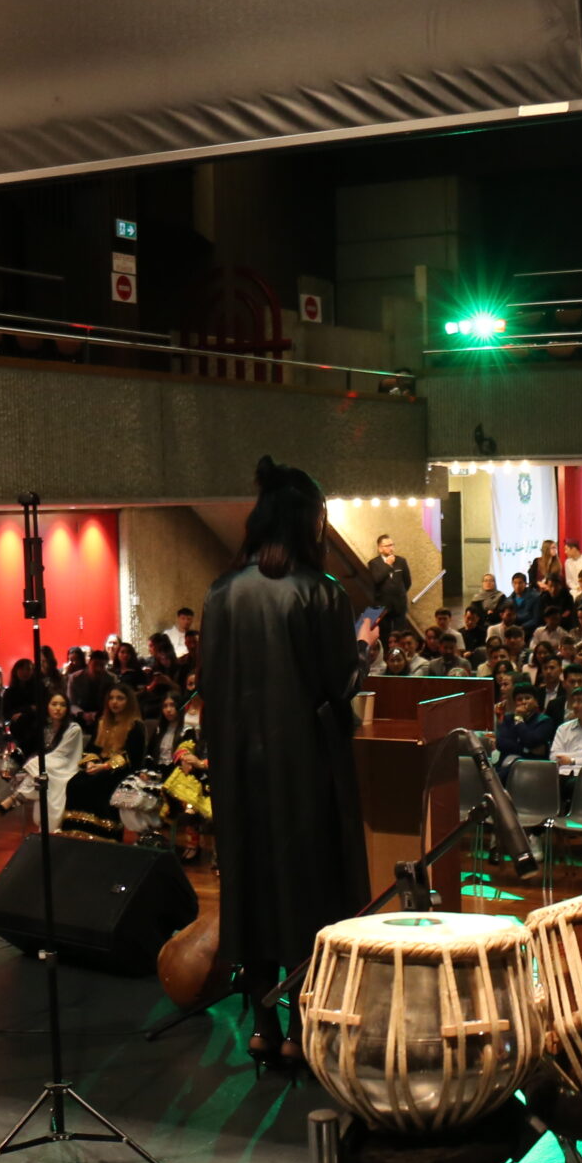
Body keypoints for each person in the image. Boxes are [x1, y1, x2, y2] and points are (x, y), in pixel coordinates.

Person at [199, 456, 379, 1066]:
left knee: (250, 889)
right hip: (305, 772)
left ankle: (261, 1025)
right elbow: (339, 684)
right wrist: (362, 646)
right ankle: (307, 1027)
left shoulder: (221, 592)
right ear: (307, 522)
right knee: (309, 891)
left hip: (239, 773)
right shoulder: (319, 593)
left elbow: (209, 682)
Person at [60, 685, 148, 840]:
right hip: (100, 766)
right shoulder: (102, 722)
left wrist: (105, 766)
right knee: (75, 782)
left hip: (121, 770)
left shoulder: (135, 725)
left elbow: (132, 757)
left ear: (129, 702)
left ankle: (104, 833)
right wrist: (90, 763)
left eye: (120, 698)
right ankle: (77, 830)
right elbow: (92, 748)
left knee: (99, 783)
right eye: (112, 698)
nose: (114, 702)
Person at [2, 688, 84, 830]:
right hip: (47, 768)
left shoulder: (73, 729)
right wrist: (10, 764)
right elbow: (26, 746)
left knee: (41, 768)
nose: (58, 708)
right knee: (41, 774)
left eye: (62, 705)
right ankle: (19, 800)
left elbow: (62, 755)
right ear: (47, 706)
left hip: (65, 767)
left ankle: (15, 798)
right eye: (54, 704)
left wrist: (36, 763)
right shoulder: (43, 727)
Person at [367, 531, 414, 639]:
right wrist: (387, 565)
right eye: (387, 546)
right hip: (383, 605)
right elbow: (376, 580)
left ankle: (399, 654)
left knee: (401, 633)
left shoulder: (401, 561)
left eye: (392, 545)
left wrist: (400, 592)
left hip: (399, 604)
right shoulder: (374, 563)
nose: (391, 548)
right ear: (380, 548)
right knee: (384, 634)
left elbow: (407, 582)